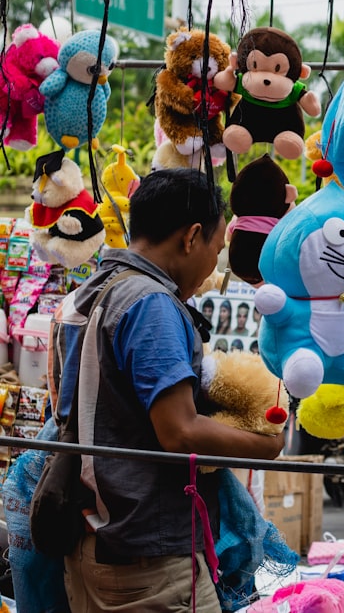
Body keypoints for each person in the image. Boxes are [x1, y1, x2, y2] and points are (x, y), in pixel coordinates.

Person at [52, 169, 285, 612]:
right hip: (146, 560)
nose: (214, 262)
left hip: (94, 542)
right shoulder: (152, 303)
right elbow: (177, 431)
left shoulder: (93, 290)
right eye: (217, 248)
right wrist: (266, 445)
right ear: (192, 237)